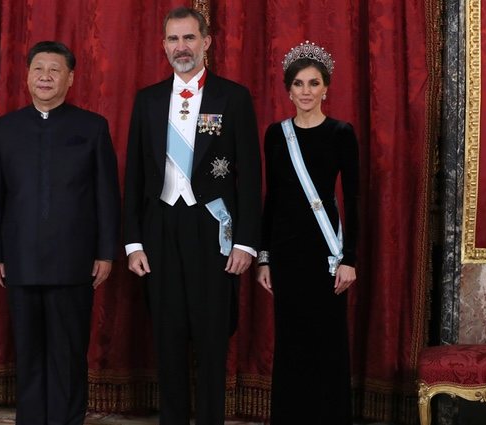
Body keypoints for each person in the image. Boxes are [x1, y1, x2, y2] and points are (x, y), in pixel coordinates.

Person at [123, 7, 261, 424]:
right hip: (160, 229)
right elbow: (134, 175)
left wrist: (246, 241)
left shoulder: (232, 97)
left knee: (212, 338)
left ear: (207, 41)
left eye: (188, 38)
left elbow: (251, 176)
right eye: (172, 40)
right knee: (167, 339)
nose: (180, 47)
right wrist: (133, 242)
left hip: (213, 230)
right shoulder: (147, 100)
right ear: (163, 45)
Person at [0, 41, 120, 425]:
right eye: (38, 68)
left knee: (68, 352)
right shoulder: (6, 128)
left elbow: (107, 195)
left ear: (70, 78)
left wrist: (106, 252)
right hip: (20, 259)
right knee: (28, 351)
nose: (45, 76)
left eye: (54, 69)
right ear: (27, 75)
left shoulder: (92, 127)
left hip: (74, 262)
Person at [256, 41, 359, 424]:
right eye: (298, 84)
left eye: (313, 83)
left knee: (328, 344)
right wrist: (264, 256)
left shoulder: (341, 134)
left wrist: (349, 259)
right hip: (286, 255)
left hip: (327, 256)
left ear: (325, 88)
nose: (305, 91)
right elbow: (273, 199)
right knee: (291, 344)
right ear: (288, 90)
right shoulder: (275, 134)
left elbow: (355, 200)